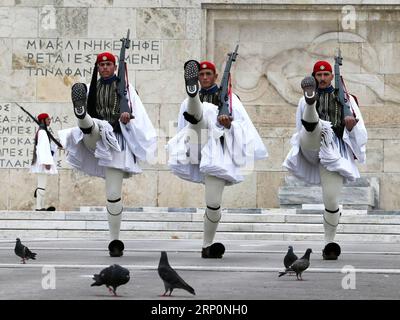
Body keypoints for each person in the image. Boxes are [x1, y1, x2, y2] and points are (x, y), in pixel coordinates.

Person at [58, 52, 157, 257]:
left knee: (113, 194)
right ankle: (82, 115)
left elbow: (140, 118)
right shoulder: (92, 89)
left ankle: (114, 241)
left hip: (115, 142)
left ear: (114, 67)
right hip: (95, 137)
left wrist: (128, 117)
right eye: (101, 64)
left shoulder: (127, 90)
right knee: (92, 126)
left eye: (108, 64)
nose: (104, 68)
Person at [168, 60, 268, 258]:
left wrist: (228, 124)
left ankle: (207, 245)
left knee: (213, 203)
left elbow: (243, 127)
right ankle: (193, 97)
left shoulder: (230, 99)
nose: (204, 77)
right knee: (197, 117)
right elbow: (182, 130)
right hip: (196, 143)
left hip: (218, 152)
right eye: (201, 74)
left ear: (215, 77)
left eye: (208, 74)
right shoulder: (184, 104)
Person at [283, 60, 368, 260]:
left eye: (325, 75)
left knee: (330, 200)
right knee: (314, 126)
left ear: (332, 77)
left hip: (333, 151)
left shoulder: (347, 99)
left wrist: (350, 126)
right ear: (313, 78)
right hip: (311, 142)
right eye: (318, 76)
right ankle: (314, 108)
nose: (322, 79)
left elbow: (361, 131)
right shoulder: (302, 101)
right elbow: (298, 128)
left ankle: (329, 243)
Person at [30, 113, 58, 211]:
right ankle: (38, 207)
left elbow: (47, 147)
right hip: (42, 162)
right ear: (43, 120)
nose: (50, 120)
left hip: (42, 161)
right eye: (48, 119)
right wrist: (47, 162)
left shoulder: (43, 131)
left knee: (42, 184)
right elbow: (43, 149)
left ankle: (40, 206)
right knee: (42, 184)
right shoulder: (42, 132)